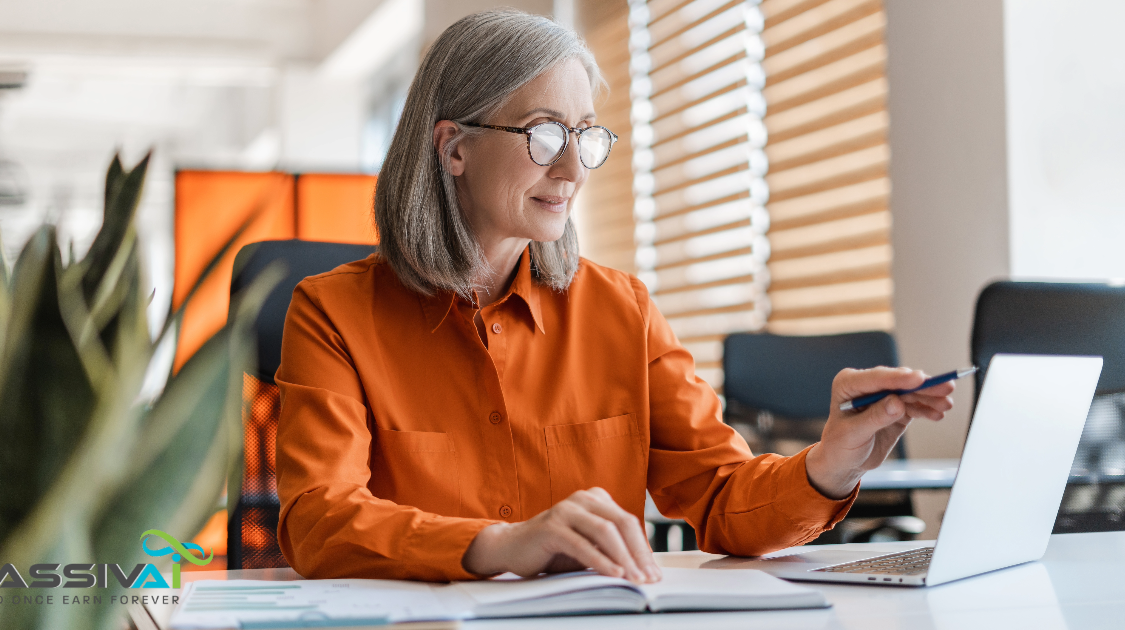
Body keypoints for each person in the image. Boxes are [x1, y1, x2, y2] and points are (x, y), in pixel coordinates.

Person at [274, 9, 954, 584]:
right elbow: (317, 518)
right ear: (454, 148)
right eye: (543, 134)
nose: (571, 169)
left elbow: (721, 497)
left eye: (584, 136)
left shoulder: (620, 310)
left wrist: (830, 464)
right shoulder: (332, 313)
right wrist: (496, 544)